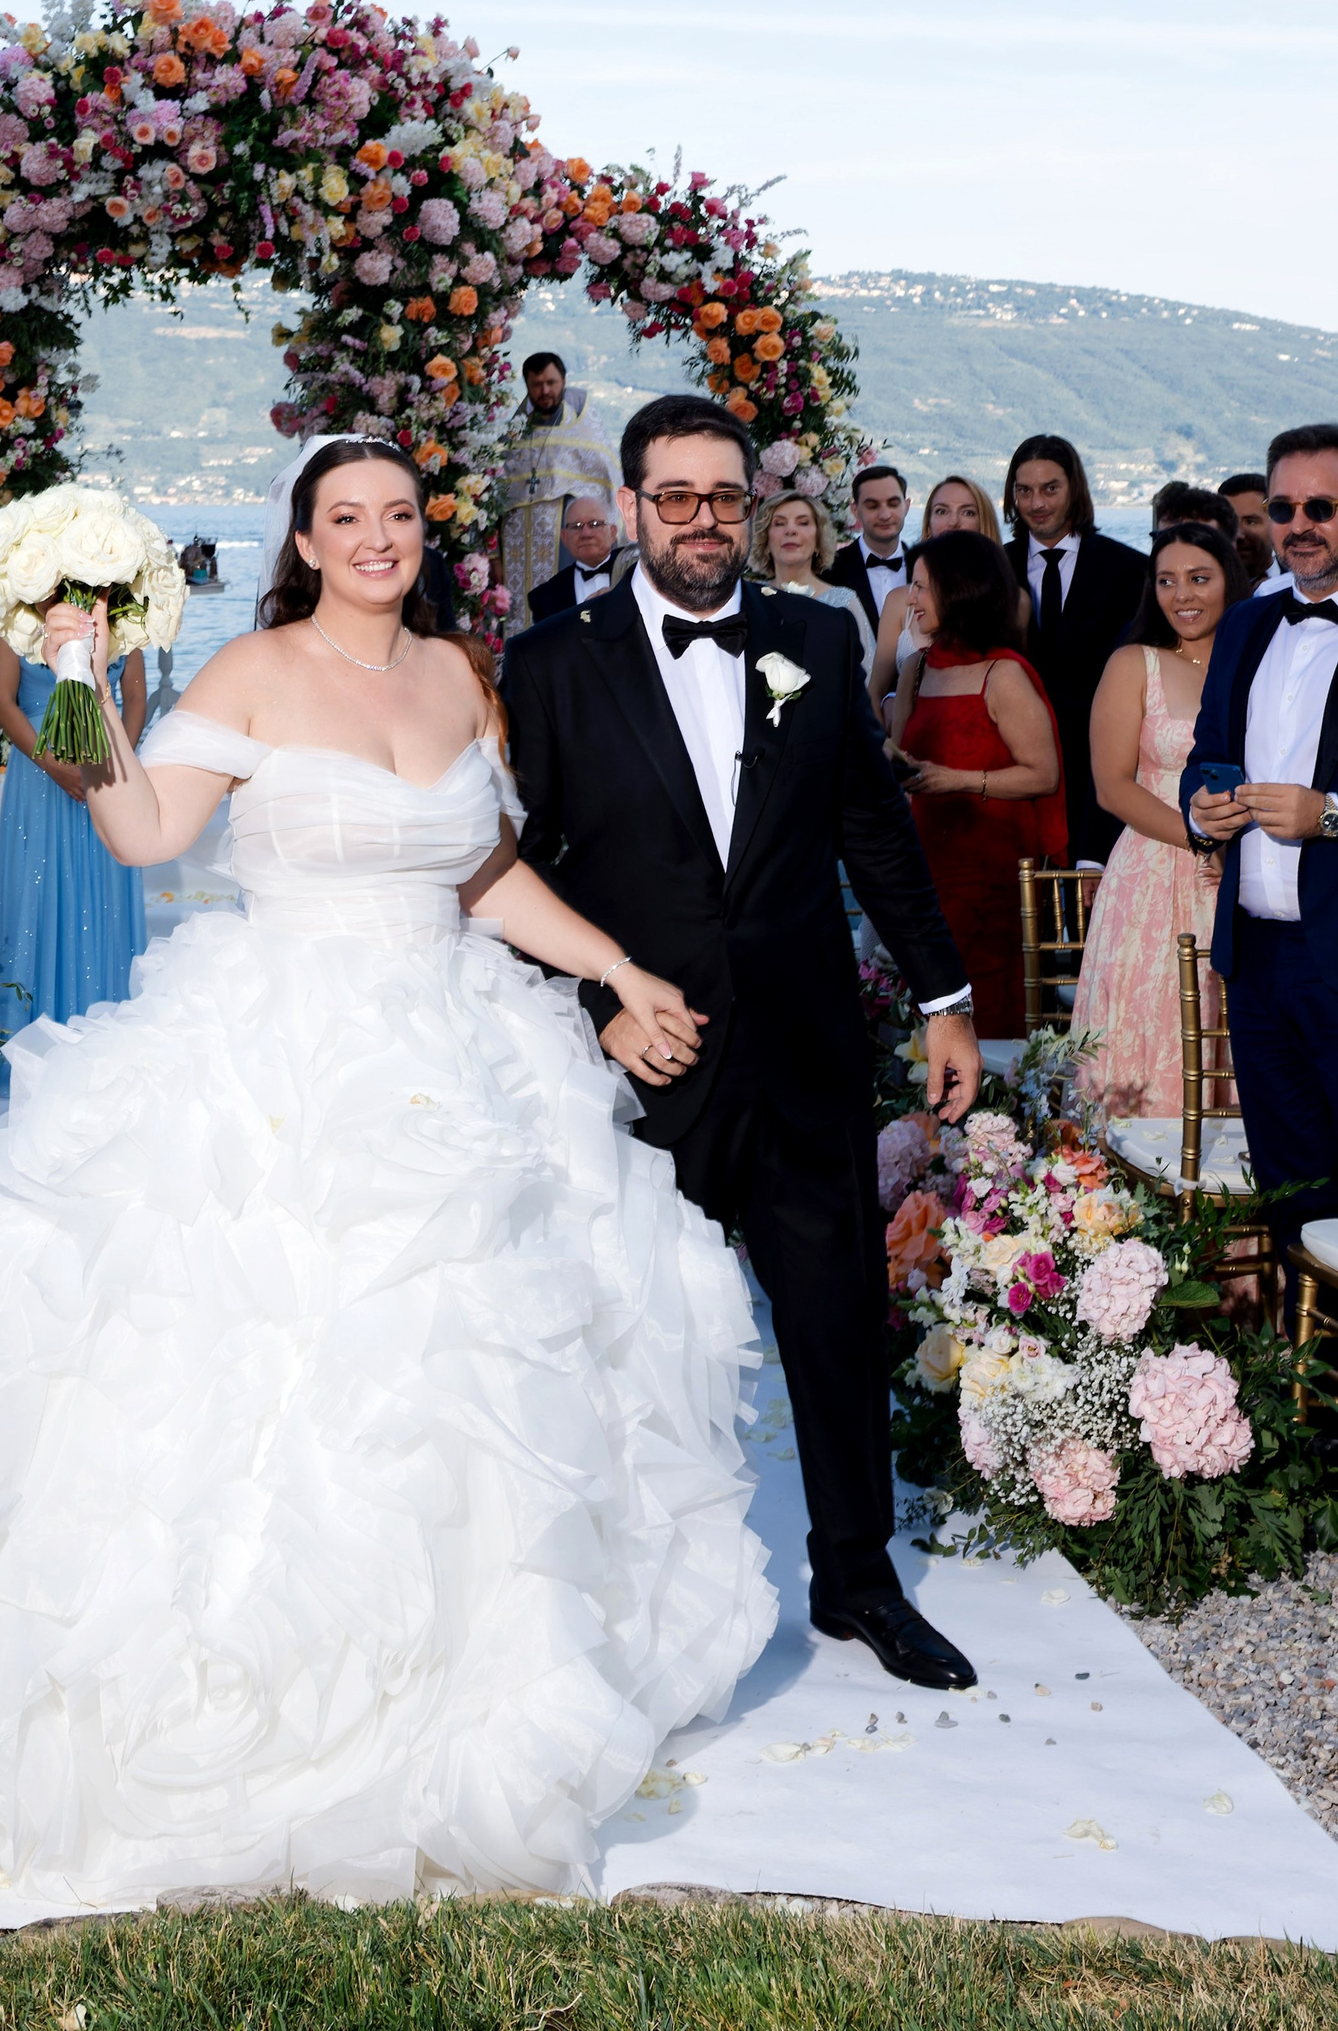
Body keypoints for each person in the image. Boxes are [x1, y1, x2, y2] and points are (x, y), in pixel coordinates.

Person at [0, 438, 777, 1904]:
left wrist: (616, 966)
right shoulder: (252, 672)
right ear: (305, 537)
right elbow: (142, 826)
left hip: (462, 1048)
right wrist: (78, 673)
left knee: (480, 1367)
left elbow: (481, 871)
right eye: (347, 516)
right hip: (286, 1049)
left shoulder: (459, 677)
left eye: (398, 513)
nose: (377, 536)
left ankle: (482, 1678)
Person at [503, 394, 982, 1692]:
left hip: (803, 1040)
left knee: (836, 1320)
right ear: (632, 502)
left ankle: (859, 1579)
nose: (704, 521)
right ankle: (622, 1599)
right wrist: (599, 1005)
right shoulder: (548, 662)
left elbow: (873, 831)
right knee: (629, 1333)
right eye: (677, 497)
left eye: (726, 496)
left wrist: (945, 996)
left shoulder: (814, 638)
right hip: (642, 1062)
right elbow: (513, 871)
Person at [1183, 423, 1338, 1249]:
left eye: (1322, 507)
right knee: (1289, 1192)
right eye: (1283, 508)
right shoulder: (1245, 624)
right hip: (1256, 962)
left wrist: (1329, 816)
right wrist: (1200, 808)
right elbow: (1204, 753)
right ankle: (1299, 1334)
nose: (1299, 525)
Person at [1073, 524, 1241, 1120]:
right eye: (1166, 580)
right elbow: (1112, 787)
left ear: (1229, 581)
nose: (1182, 594)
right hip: (1151, 877)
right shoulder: (1133, 663)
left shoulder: (1256, 663)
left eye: (1199, 578)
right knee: (1151, 1028)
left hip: (1241, 877)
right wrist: (1199, 841)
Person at [893, 532, 1067, 1040]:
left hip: (992, 877)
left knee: (990, 1007)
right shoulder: (915, 668)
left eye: (922, 587)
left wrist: (958, 780)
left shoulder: (1004, 673)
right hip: (926, 866)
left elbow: (1044, 774)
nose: (910, 598)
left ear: (959, 589)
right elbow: (899, 757)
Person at [0, 628, 148, 1055]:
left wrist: (117, 769)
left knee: (103, 898)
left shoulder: (122, 608)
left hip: (107, 768)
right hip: (39, 774)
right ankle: (28, 1044)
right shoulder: (13, 606)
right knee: (37, 893)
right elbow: (1, 700)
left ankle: (103, 1043)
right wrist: (52, 765)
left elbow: (136, 698)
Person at [1001, 433, 1148, 865]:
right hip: (1014, 766)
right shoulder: (994, 568)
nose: (1037, 503)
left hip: (1098, 767)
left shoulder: (1128, 568)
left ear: (1074, 488)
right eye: (1024, 490)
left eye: (1050, 488)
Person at [497, 351, 620, 634]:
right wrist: (493, 556)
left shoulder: (584, 429)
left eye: (551, 382)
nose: (545, 391)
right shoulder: (515, 433)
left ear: (564, 381)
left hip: (565, 545)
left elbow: (607, 482)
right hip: (518, 549)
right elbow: (496, 494)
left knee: (563, 620)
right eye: (536, 384)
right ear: (527, 387)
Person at [867, 476, 1005, 727]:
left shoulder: (1010, 599)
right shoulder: (900, 601)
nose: (953, 522)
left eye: (967, 512)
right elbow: (875, 690)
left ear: (983, 524)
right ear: (928, 526)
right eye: (942, 511)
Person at [750, 489, 868, 633]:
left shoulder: (845, 602)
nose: (790, 530)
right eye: (779, 523)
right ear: (765, 540)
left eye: (803, 523)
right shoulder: (749, 599)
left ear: (819, 540)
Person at [826, 463, 911, 638]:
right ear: (855, 511)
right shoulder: (830, 570)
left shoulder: (927, 568)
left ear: (906, 506)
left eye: (893, 504)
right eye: (872, 506)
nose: (885, 515)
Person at [525, 493, 629, 622]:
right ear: (564, 537)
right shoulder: (545, 598)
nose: (586, 533)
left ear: (612, 532)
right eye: (576, 526)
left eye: (594, 524)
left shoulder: (637, 570)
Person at [1222, 472, 1285, 595]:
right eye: (1229, 522)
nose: (1239, 534)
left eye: (1250, 522)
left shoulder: (1302, 583)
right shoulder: (1203, 590)